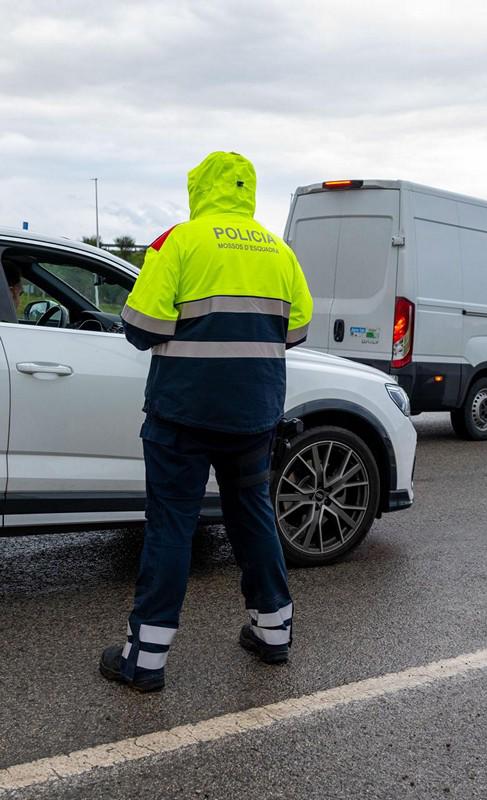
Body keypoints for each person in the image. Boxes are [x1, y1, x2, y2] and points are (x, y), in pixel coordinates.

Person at [100, 151, 313, 692]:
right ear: (246, 190)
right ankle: (274, 633)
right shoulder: (278, 250)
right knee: (253, 516)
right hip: (253, 415)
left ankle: (145, 659)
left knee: (172, 524)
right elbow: (296, 330)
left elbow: (141, 326)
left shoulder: (181, 241)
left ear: (200, 187)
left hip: (183, 414)